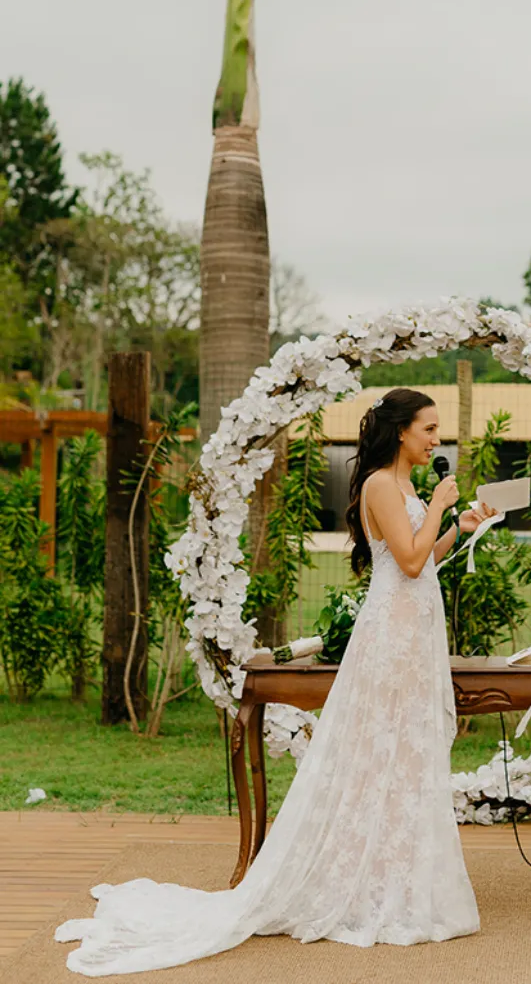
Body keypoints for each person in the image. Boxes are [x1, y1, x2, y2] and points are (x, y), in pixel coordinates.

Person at [57, 387, 490, 975]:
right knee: (377, 752)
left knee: (404, 756)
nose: (437, 439)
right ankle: (356, 883)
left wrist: (457, 525)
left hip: (415, 631)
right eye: (429, 429)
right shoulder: (382, 486)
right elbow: (408, 564)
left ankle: (393, 877)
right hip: (390, 637)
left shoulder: (408, 486)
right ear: (400, 432)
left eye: (438, 430)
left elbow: (423, 558)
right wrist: (441, 504)